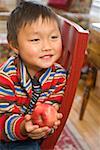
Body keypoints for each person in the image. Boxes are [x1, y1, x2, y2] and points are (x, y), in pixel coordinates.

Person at [0, 1, 67, 150]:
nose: (47, 46)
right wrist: (23, 127)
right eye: (36, 40)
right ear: (15, 45)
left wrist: (51, 121)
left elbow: (53, 106)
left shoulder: (59, 76)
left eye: (54, 37)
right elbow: (1, 117)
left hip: (28, 139)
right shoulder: (6, 76)